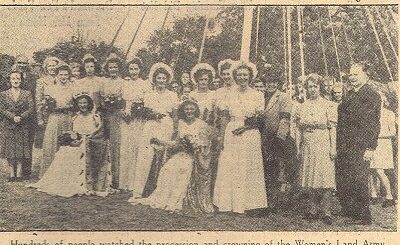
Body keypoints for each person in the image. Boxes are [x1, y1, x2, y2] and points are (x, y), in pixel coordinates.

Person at [129, 100, 214, 215]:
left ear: (196, 110)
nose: (189, 111)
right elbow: (175, 143)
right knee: (168, 168)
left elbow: (205, 143)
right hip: (180, 154)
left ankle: (177, 201)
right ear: (183, 111)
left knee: (183, 168)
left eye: (192, 109)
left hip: (194, 157)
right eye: (186, 109)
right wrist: (161, 141)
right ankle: (164, 199)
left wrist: (195, 146)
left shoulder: (201, 124)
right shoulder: (180, 123)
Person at [28, 93, 111, 197]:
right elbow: (72, 132)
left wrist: (87, 139)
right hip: (77, 144)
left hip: (91, 144)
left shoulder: (95, 117)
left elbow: (99, 133)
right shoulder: (74, 117)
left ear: (89, 103)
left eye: (85, 103)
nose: (83, 105)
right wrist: (72, 140)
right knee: (64, 152)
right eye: (80, 103)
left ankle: (89, 184)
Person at [213, 61, 268, 215]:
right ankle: (227, 203)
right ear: (235, 76)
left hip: (249, 132)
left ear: (250, 76)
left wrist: (245, 127)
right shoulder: (228, 94)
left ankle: (248, 204)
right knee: (231, 165)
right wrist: (222, 136)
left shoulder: (257, 95)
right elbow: (224, 117)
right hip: (232, 130)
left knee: (248, 166)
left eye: (245, 75)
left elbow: (260, 118)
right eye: (239, 75)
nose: (242, 77)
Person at [336, 63, 381, 225]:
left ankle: (364, 215)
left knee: (359, 179)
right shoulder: (350, 94)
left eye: (356, 74)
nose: (352, 77)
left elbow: (373, 124)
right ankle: (350, 210)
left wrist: (370, 147)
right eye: (350, 75)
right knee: (346, 177)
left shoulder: (371, 95)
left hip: (360, 145)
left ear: (366, 75)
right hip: (345, 144)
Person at [131, 62, 179, 198]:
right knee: (145, 155)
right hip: (151, 125)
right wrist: (151, 115)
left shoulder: (172, 95)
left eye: (164, 78)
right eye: (159, 78)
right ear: (154, 79)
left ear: (167, 80)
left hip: (166, 124)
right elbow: (142, 111)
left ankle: (162, 190)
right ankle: (140, 190)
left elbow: (175, 115)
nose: (161, 81)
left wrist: (175, 130)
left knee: (163, 155)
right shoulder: (148, 95)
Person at [295, 73, 337, 224]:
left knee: (325, 178)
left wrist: (333, 148)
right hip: (308, 144)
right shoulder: (302, 106)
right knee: (310, 178)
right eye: (309, 87)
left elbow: (332, 128)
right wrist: (298, 147)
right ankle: (312, 209)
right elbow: (299, 128)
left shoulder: (328, 105)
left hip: (323, 143)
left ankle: (326, 211)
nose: (312, 89)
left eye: (315, 86)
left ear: (320, 87)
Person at [259, 72, 293, 209]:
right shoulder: (260, 96)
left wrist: (280, 138)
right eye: (268, 82)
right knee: (265, 168)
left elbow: (285, 119)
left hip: (277, 139)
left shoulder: (283, 97)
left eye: (273, 82)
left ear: (277, 84)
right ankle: (264, 199)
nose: (270, 85)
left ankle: (275, 201)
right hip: (263, 137)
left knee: (277, 168)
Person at [118, 57, 152, 190]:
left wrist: (137, 113)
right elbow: (121, 101)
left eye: (135, 69)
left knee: (137, 147)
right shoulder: (124, 83)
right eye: (131, 69)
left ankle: (135, 183)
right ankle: (125, 182)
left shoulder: (145, 84)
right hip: (126, 117)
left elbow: (147, 102)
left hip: (138, 118)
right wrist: (122, 112)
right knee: (126, 147)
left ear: (140, 70)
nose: (133, 72)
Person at [40, 63, 74, 177]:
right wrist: (52, 108)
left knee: (67, 143)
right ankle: (50, 174)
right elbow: (45, 105)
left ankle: (66, 174)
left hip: (68, 118)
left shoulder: (73, 88)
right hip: (54, 118)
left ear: (69, 75)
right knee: (52, 143)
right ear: (57, 75)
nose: (63, 77)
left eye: (66, 74)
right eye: (61, 74)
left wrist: (69, 108)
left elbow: (76, 104)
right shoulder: (51, 88)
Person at [0, 71, 34, 181]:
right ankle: (11, 173)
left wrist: (21, 117)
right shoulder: (3, 94)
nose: (15, 81)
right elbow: (2, 108)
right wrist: (12, 117)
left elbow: (31, 108)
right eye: (13, 78)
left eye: (18, 78)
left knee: (20, 149)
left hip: (22, 125)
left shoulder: (27, 93)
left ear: (21, 80)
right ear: (9, 80)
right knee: (10, 149)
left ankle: (19, 173)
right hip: (9, 125)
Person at [100, 53, 124, 189]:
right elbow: (102, 101)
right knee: (105, 145)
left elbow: (124, 100)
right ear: (107, 68)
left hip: (118, 116)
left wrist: (116, 103)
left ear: (119, 68)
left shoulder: (123, 82)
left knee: (116, 145)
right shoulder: (104, 82)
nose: (113, 69)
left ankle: (116, 178)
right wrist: (107, 104)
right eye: (111, 67)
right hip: (106, 115)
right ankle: (105, 178)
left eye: (115, 67)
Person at [370, 95, 396, 208]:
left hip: (383, 145)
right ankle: (373, 194)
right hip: (371, 144)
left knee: (380, 170)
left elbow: (393, 132)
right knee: (371, 170)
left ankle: (389, 196)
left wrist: (377, 136)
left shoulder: (389, 114)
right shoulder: (370, 113)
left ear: (384, 101)